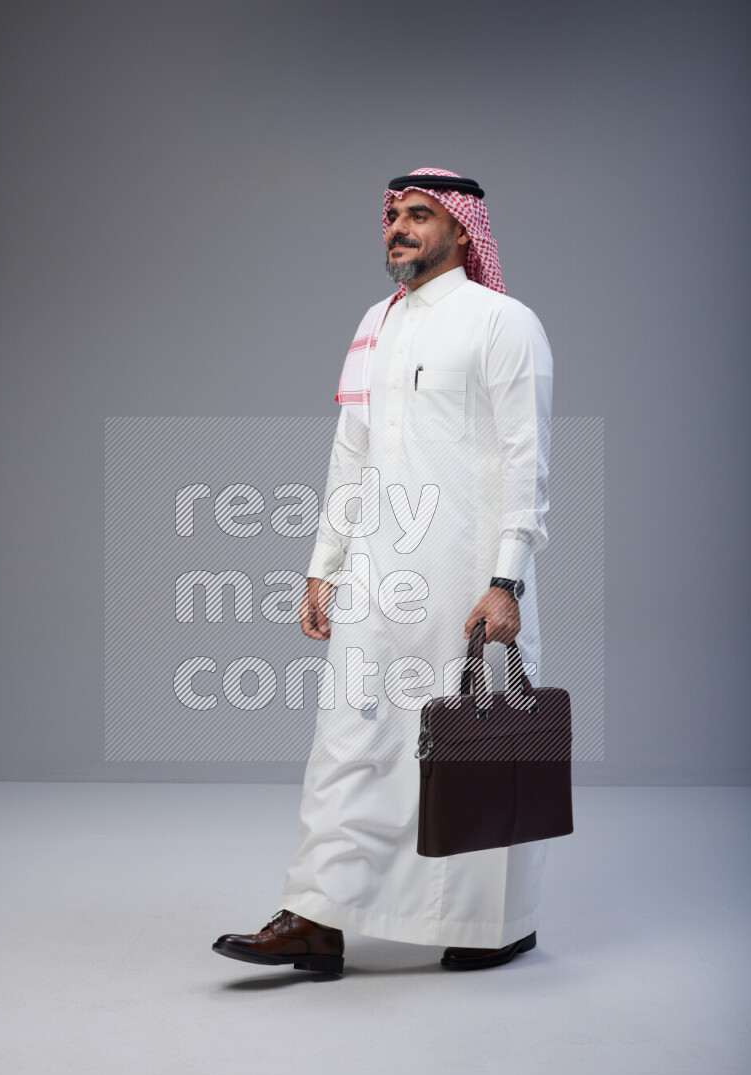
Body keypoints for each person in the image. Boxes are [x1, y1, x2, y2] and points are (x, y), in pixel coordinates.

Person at [213, 167, 553, 977]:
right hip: (377, 571)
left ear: (463, 231)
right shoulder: (377, 321)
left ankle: (489, 924)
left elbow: (527, 461)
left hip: (465, 573)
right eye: (394, 214)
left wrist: (506, 580)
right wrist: (323, 565)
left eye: (420, 214)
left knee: (469, 745)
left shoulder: (503, 323)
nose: (399, 227)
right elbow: (351, 453)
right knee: (348, 742)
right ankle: (316, 920)